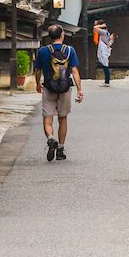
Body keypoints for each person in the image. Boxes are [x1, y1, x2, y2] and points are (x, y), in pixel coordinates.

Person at [35, 24, 83, 161]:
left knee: (47, 119)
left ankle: (50, 138)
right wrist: (79, 89)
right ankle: (60, 149)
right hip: (65, 89)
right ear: (62, 35)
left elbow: (38, 70)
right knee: (62, 118)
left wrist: (38, 84)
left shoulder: (43, 51)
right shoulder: (70, 50)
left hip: (48, 88)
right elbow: (74, 71)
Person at [93, 19, 115, 87]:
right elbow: (110, 42)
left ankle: (107, 82)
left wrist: (100, 25)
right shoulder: (107, 32)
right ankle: (106, 81)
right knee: (105, 65)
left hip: (104, 50)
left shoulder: (103, 32)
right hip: (105, 50)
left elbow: (94, 28)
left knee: (105, 66)